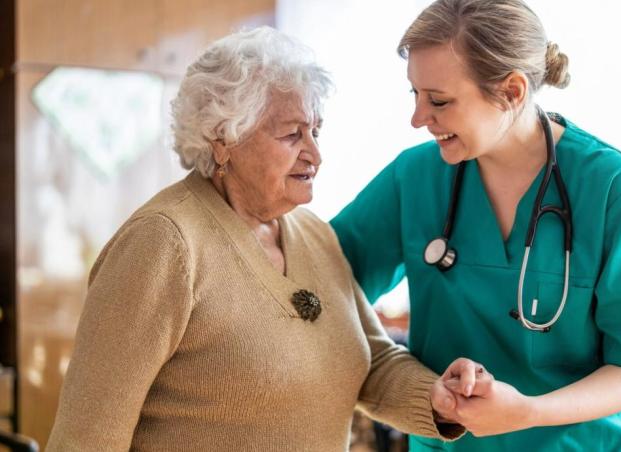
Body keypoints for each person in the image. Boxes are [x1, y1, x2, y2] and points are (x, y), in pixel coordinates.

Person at [47, 26, 486, 452]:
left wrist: (437, 397)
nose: (315, 154)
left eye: (316, 131)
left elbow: (372, 362)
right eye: (292, 134)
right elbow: (87, 438)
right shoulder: (164, 244)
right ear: (223, 140)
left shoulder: (313, 235)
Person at [330, 0, 621, 450]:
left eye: (440, 101)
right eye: (416, 95)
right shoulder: (414, 179)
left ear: (512, 91)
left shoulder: (612, 188)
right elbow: (322, 284)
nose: (417, 119)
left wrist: (528, 412)